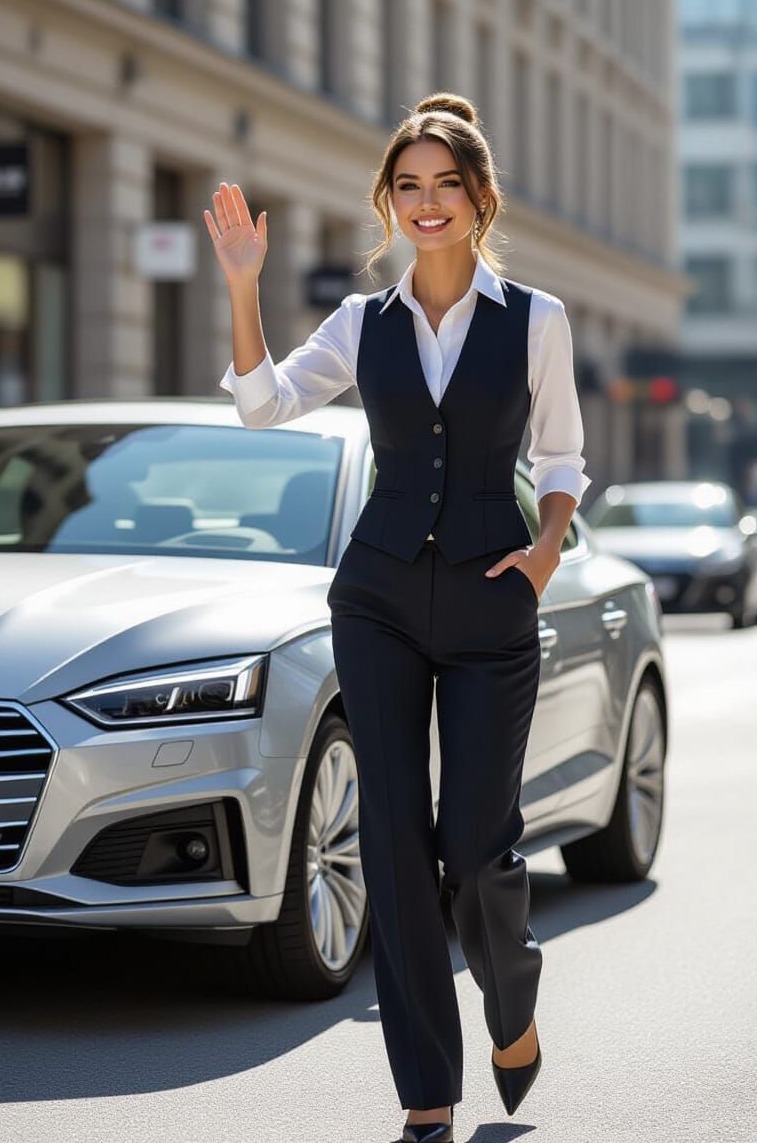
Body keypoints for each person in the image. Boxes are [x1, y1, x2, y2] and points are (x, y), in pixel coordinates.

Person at [204, 91, 591, 1142]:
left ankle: (509, 995)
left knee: (471, 846)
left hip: (489, 598)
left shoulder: (535, 320)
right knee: (389, 842)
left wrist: (545, 548)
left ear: (478, 199)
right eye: (406, 187)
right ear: (387, 202)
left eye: (444, 186)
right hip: (374, 597)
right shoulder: (360, 322)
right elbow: (261, 403)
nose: (426, 204)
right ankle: (427, 1092)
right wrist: (244, 287)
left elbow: (559, 458)